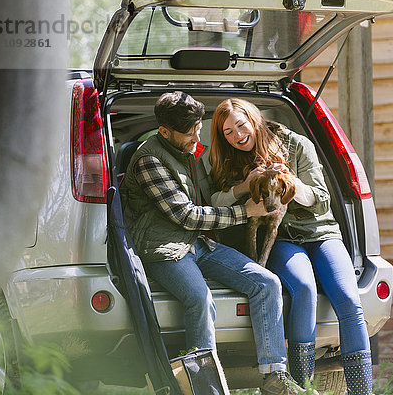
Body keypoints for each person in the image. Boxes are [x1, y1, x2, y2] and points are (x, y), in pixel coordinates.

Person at [121, 91, 304, 395]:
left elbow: (205, 204)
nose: (197, 133)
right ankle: (206, 389)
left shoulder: (187, 151)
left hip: (198, 243)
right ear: (165, 132)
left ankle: (275, 376)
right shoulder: (148, 159)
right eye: (189, 130)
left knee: (267, 283)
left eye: (198, 126)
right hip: (163, 249)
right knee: (200, 299)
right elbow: (186, 215)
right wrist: (244, 212)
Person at [209, 98, 373, 395]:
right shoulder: (230, 159)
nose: (237, 135)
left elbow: (321, 199)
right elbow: (214, 201)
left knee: (349, 299)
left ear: (254, 120)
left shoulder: (297, 145)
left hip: (320, 232)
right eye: (228, 132)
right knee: (304, 290)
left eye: (241, 125)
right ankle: (302, 387)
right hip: (282, 239)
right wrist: (246, 185)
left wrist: (291, 184)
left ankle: (362, 391)